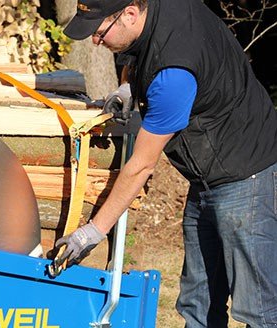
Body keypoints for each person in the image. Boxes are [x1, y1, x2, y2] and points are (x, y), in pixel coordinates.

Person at [54, 0, 277, 326]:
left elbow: (141, 166)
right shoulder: (154, 12)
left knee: (258, 310)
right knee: (197, 304)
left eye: (100, 33)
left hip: (246, 174)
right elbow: (142, 51)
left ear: (129, 13)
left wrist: (92, 232)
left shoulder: (173, 74)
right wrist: (131, 85)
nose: (96, 42)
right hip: (206, 175)